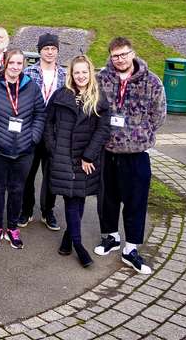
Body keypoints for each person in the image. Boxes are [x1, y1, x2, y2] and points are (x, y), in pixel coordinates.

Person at [94, 37, 166, 275]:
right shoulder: (102, 78)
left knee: (136, 201)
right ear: (110, 56)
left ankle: (131, 248)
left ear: (132, 53)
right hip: (107, 150)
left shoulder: (151, 81)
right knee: (107, 198)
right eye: (115, 56)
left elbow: (159, 115)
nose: (120, 59)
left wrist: (140, 133)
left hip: (136, 153)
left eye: (124, 54)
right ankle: (111, 237)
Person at [45, 55, 111, 268]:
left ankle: (67, 240)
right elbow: (48, 124)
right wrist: (54, 149)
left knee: (79, 199)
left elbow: (103, 130)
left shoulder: (98, 98)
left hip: (85, 160)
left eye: (84, 72)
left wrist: (88, 156)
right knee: (71, 200)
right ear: (71, 75)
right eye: (76, 72)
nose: (80, 76)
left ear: (90, 73)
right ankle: (79, 245)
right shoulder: (61, 95)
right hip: (63, 157)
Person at [0, 49, 45, 250]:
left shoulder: (31, 88)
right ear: (5, 65)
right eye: (12, 63)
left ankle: (13, 227)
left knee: (18, 189)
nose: (15, 67)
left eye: (19, 63)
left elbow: (40, 114)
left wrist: (33, 138)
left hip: (24, 150)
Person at [19, 33, 67, 231]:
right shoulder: (29, 72)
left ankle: (48, 211)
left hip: (54, 130)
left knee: (51, 173)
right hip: (33, 127)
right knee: (28, 173)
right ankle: (26, 209)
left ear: (57, 51)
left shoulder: (64, 74)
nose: (50, 52)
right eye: (46, 48)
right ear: (40, 51)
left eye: (53, 49)